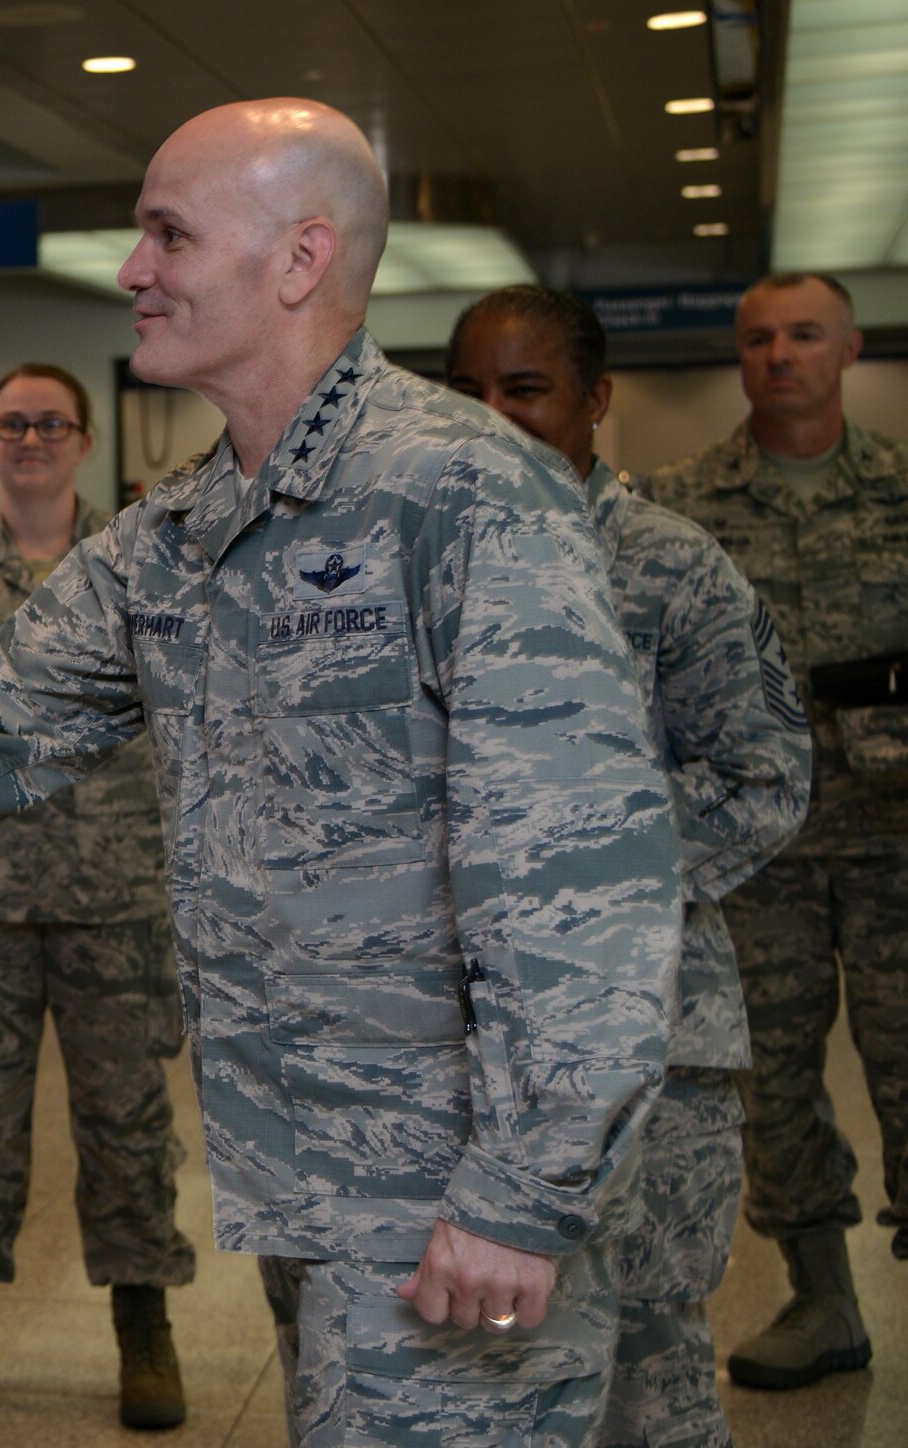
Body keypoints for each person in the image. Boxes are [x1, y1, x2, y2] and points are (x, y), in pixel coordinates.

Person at [0, 99, 681, 1445]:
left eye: (166, 233)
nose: (133, 269)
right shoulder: (179, 539)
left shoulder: (467, 499)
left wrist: (528, 1186)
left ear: (299, 259)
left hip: (457, 1201)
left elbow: (588, 869)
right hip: (304, 1185)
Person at [447, 285, 811, 1445]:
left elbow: (763, 778)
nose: (493, 417)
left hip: (646, 1049)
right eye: (466, 393)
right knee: (476, 1366)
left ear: (594, 402)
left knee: (645, 1373)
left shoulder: (670, 567)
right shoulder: (415, 564)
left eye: (525, 389)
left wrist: (575, 864)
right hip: (461, 1048)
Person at [0, 363, 195, 1429]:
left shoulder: (140, 565)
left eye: (47, 422)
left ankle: (142, 1331)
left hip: (117, 902)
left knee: (128, 1127)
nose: (28, 439)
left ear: (83, 437)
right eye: (9, 422)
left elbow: (190, 722)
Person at [646, 272, 908, 1391]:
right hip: (756, 849)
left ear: (846, 347)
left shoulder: (902, 487)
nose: (778, 354)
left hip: (897, 832)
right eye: (757, 338)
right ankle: (820, 1295)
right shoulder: (683, 503)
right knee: (775, 1075)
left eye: (802, 334)